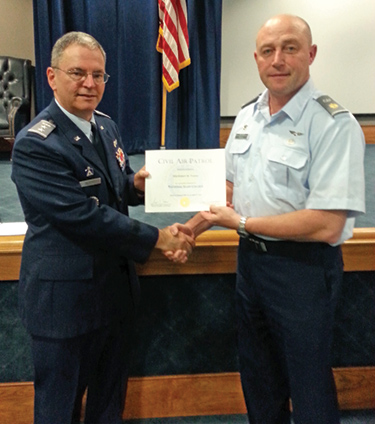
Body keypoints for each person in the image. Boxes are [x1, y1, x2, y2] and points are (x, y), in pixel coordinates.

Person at [176, 14, 366, 424]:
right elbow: (227, 190)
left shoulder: (333, 124)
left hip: (303, 271)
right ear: (257, 59)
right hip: (252, 266)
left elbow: (327, 223)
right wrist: (191, 229)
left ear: (310, 54)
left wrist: (241, 224)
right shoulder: (247, 117)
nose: (277, 59)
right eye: (267, 51)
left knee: (308, 385)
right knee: (259, 381)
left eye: (290, 48)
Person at [11, 31, 194, 424]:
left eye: (99, 75)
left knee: (109, 405)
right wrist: (159, 238)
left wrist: (136, 186)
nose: (90, 84)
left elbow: (116, 185)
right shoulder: (35, 144)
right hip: (64, 305)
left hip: (114, 294)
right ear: (51, 76)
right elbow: (83, 216)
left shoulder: (106, 127)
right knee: (59, 409)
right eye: (78, 73)